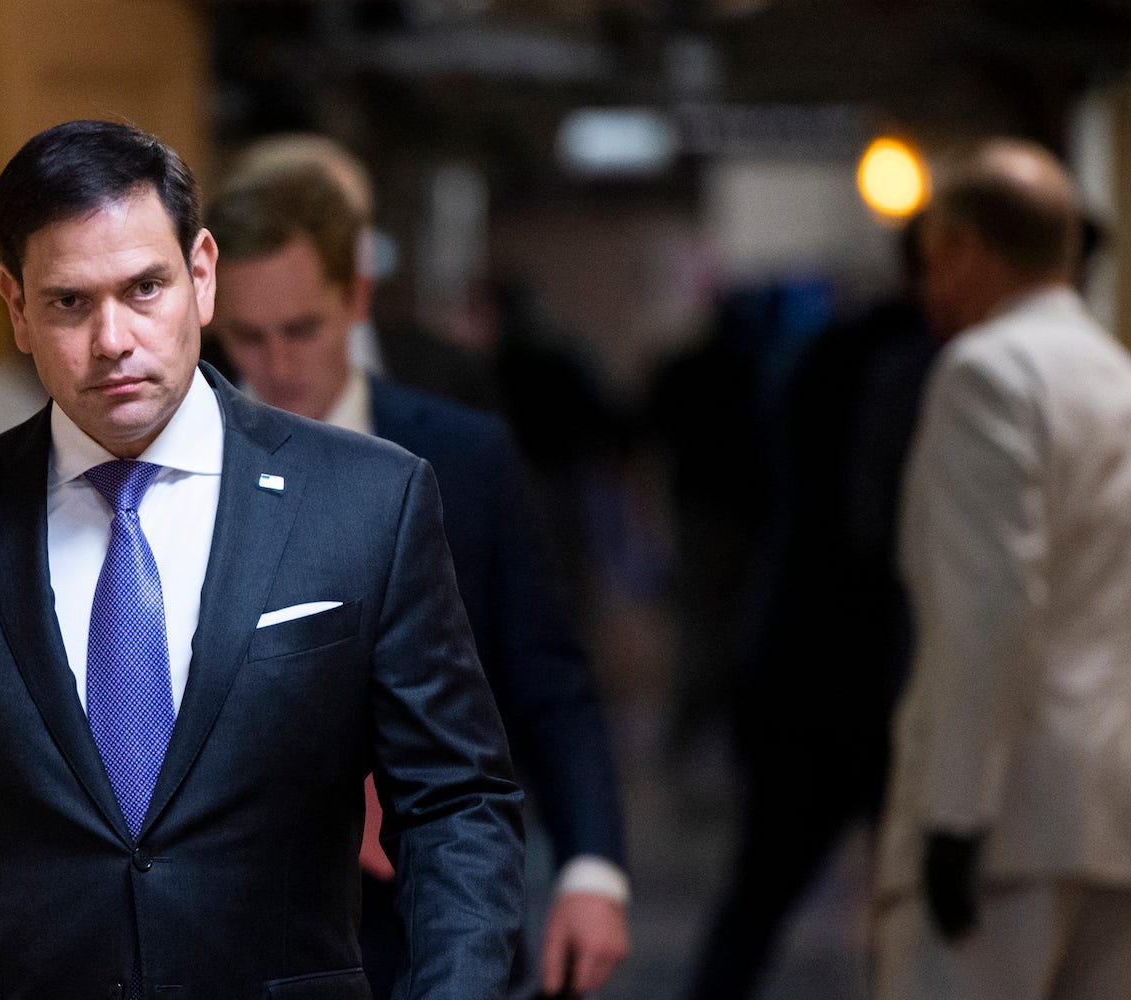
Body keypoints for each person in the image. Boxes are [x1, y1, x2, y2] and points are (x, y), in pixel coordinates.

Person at [0, 120, 526, 999]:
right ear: (16, 306)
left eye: (145, 288)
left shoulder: (368, 502)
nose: (113, 340)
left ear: (202, 274)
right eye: (69, 301)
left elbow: (454, 805)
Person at [204, 153, 628, 998]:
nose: (278, 363)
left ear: (357, 300)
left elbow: (548, 680)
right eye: (249, 337)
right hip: (240, 919)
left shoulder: (467, 457)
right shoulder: (183, 469)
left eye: (304, 329)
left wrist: (591, 868)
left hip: (433, 908)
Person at [877, 139, 1131, 1000]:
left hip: (1006, 820)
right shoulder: (1119, 375)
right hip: (1112, 815)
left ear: (969, 248)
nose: (928, 288)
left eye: (937, 258)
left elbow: (992, 605)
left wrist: (954, 812)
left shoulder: (988, 371)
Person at [682, 218, 938, 1000]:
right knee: (908, 918)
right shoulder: (927, 366)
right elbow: (878, 527)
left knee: (757, 898)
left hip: (796, 654)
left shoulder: (821, 352)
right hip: (876, 670)